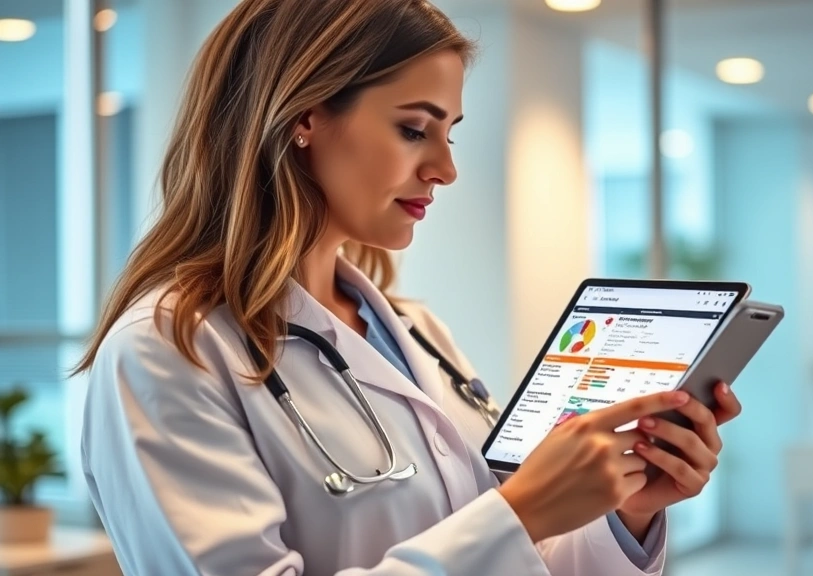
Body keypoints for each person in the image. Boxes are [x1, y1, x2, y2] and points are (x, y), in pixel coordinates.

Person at [74, 0, 743, 574]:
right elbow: (499, 537)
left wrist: (624, 511)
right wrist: (521, 510)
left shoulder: (418, 332)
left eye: (449, 134)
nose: (446, 169)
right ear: (303, 116)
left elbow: (517, 560)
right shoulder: (167, 352)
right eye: (414, 129)